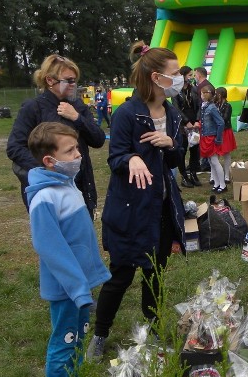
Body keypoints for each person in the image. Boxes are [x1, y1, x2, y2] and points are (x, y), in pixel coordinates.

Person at [90, 42, 186, 359]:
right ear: (157, 77)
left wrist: (171, 143)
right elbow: (115, 157)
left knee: (154, 275)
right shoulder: (127, 114)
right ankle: (99, 335)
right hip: (130, 211)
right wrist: (131, 157)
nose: (180, 77)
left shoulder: (172, 114)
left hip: (159, 211)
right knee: (121, 276)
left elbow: (174, 161)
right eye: (175, 73)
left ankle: (154, 332)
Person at [24, 122, 110, 377]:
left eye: (77, 148)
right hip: (66, 287)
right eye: (70, 150)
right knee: (65, 339)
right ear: (50, 161)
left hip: (79, 284)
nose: (78, 155)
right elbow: (50, 247)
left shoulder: (64, 184)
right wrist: (76, 287)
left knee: (79, 333)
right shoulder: (45, 197)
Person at [7, 54, 106, 218]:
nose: (74, 85)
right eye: (69, 80)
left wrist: (77, 118)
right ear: (50, 81)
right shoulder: (33, 108)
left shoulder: (77, 106)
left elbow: (99, 140)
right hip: (49, 190)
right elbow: (14, 148)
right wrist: (51, 168)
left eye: (75, 80)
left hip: (81, 186)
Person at [173, 66, 202, 187]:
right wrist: (186, 122)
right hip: (182, 126)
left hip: (194, 124)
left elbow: (200, 105)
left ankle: (193, 173)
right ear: (183, 76)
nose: (191, 77)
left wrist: (197, 120)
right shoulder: (176, 91)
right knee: (182, 150)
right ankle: (184, 176)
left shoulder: (194, 89)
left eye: (192, 75)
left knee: (195, 149)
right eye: (189, 75)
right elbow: (176, 108)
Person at [198, 85, 227, 192]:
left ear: (206, 95)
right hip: (205, 136)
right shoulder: (204, 106)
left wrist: (218, 138)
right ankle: (216, 183)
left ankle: (223, 185)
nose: (200, 95)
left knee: (214, 161)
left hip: (211, 137)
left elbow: (220, 123)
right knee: (211, 161)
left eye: (202, 93)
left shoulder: (212, 108)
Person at [214, 86, 237, 184]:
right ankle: (214, 175)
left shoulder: (227, 106)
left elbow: (225, 118)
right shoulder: (215, 105)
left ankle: (227, 175)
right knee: (216, 153)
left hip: (225, 131)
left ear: (220, 95)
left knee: (226, 153)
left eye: (216, 94)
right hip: (217, 131)